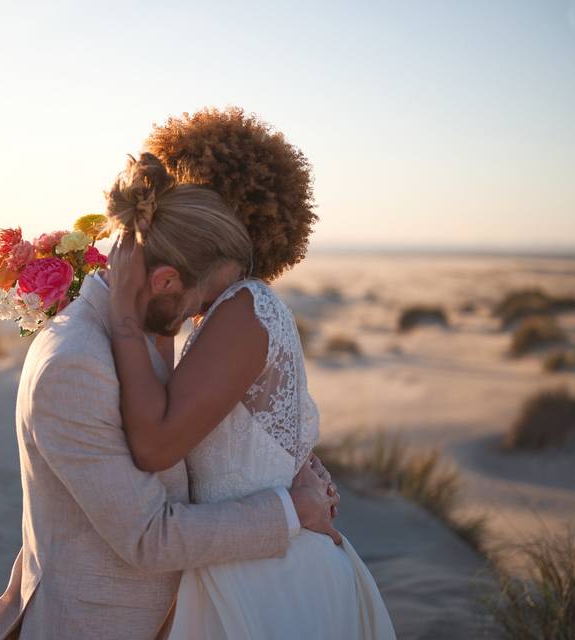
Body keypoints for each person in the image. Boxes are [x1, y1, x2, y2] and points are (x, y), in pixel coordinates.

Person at [0, 161, 340, 640]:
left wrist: (287, 454)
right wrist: (292, 510)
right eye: (207, 300)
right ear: (166, 281)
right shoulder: (74, 365)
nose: (202, 317)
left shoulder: (139, 339)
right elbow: (148, 537)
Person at [105, 108, 396, 638]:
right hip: (240, 562)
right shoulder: (224, 310)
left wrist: (126, 312)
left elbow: (154, 446)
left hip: (265, 583)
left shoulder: (244, 309)